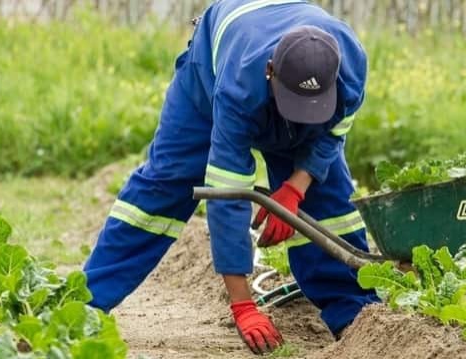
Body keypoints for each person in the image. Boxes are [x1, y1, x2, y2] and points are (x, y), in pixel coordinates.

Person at [82, 0, 379, 355]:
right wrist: (242, 304)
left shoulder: (349, 67)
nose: (302, 118)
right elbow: (228, 195)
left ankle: (357, 317)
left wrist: (296, 188)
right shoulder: (239, 86)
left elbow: (333, 133)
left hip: (284, 67)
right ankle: (86, 302)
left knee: (327, 202)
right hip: (210, 75)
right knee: (165, 186)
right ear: (270, 72)